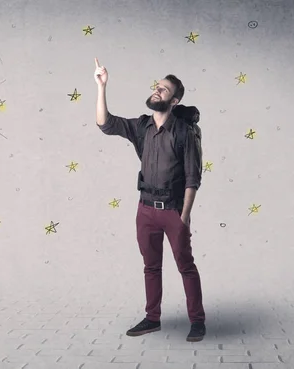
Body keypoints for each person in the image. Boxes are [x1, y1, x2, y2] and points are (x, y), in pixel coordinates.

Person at [93, 58, 206, 342]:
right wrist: (101, 86)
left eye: (164, 90)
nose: (157, 91)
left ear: (175, 100)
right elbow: (105, 124)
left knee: (185, 266)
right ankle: (152, 319)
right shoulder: (142, 126)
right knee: (151, 266)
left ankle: (197, 321)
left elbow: (193, 178)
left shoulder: (184, 132)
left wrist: (184, 217)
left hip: (173, 211)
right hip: (145, 210)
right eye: (157, 87)